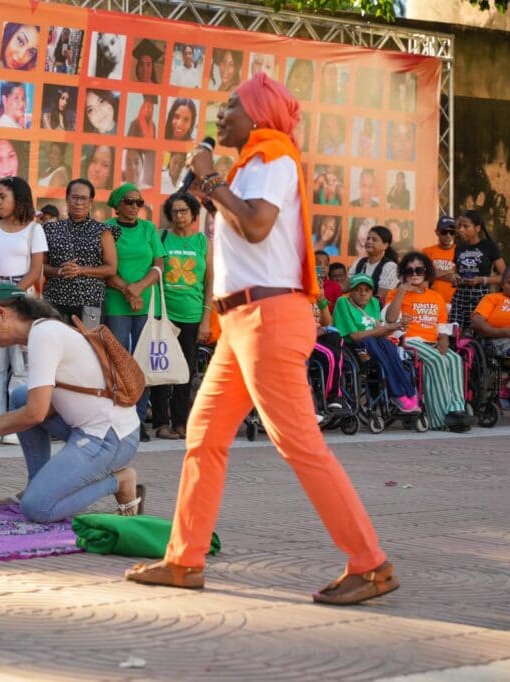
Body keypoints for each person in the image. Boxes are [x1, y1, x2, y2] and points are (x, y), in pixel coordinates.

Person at [125, 73, 395, 605]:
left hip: (268, 317)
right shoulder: (251, 167)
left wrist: (207, 179)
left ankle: (371, 564)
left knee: (298, 442)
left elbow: (255, 227)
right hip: (241, 324)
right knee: (202, 434)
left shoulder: (273, 156)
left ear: (257, 115)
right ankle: (184, 560)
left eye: (230, 107)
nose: (220, 117)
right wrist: (211, 187)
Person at [0, 283, 143, 519]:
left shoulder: (43, 335)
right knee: (21, 396)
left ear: (1, 313)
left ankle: (120, 481)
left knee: (36, 508)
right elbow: (40, 407)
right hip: (91, 430)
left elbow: (36, 414)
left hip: (109, 438)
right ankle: (38, 483)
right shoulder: (43, 331)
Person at [0, 177, 46, 444]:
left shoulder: (34, 229)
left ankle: (14, 425)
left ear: (19, 198)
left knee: (21, 364)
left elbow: (36, 269)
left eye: (3, 196)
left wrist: (14, 293)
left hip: (22, 296)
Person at [385, 251, 474, 432]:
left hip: (431, 341)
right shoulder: (396, 292)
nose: (415, 274)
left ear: (427, 272)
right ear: (403, 273)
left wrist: (444, 339)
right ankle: (439, 419)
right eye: (409, 271)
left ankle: (456, 409)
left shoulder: (436, 297)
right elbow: (390, 319)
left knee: (455, 359)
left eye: (419, 270)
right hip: (409, 340)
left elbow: (441, 324)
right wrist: (401, 291)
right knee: (438, 360)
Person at [103, 183, 163, 440]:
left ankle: (137, 420)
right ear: (117, 204)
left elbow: (159, 264)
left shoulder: (149, 229)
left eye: (140, 202)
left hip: (147, 304)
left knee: (142, 363)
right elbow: (105, 268)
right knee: (118, 361)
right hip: (117, 303)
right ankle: (116, 421)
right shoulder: (108, 228)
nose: (135, 207)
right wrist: (129, 291)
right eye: (129, 201)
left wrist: (138, 288)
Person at [150, 192, 212, 440]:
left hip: (192, 315)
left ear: (194, 214)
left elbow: (210, 283)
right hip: (164, 313)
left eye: (184, 211)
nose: (179, 216)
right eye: (175, 211)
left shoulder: (203, 242)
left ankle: (181, 422)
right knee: (161, 369)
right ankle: (161, 423)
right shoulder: (162, 236)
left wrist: (206, 318)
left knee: (185, 371)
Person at [332, 273, 419, 413]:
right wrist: (386, 328)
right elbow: (355, 336)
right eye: (358, 289)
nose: (363, 293)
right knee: (372, 342)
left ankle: (408, 392)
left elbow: (379, 331)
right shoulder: (343, 302)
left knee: (390, 347)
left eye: (367, 290)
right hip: (354, 346)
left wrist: (397, 325)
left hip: (374, 342)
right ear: (351, 291)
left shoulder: (374, 302)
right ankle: (397, 394)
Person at [42, 179, 118, 322]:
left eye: (83, 199)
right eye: (74, 197)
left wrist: (80, 270)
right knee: (55, 342)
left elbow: (111, 269)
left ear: (91, 202)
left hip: (91, 302)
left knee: (89, 342)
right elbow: (40, 265)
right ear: (67, 198)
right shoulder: (50, 229)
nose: (78, 203)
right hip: (55, 302)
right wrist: (59, 271)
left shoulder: (103, 231)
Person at [449, 210, 505, 335]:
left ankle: (473, 354)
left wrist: (482, 280)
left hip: (480, 295)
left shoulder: (489, 246)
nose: (461, 230)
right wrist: (454, 276)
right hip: (460, 294)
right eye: (459, 227)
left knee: (474, 333)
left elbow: (505, 277)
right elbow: (454, 271)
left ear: (477, 228)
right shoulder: (459, 248)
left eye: (466, 226)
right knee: (454, 331)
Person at [350, 225, 398, 301]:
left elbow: (380, 298)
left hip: (376, 310)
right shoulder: (359, 262)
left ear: (385, 245)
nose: (369, 241)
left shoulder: (390, 266)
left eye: (374, 240)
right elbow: (347, 286)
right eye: (368, 238)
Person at [423, 216, 457, 306]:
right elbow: (424, 275)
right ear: (437, 232)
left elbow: (460, 276)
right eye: (444, 232)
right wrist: (451, 273)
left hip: (454, 302)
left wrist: (435, 273)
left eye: (452, 232)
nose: (448, 235)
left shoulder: (460, 251)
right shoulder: (427, 251)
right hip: (432, 301)